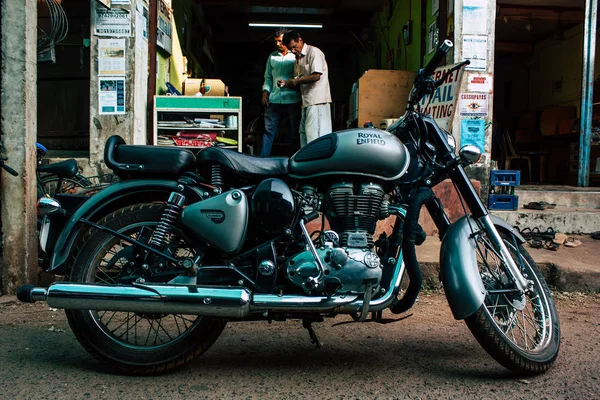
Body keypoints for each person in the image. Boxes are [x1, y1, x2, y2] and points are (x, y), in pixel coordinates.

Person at [281, 30, 332, 147]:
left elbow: (316, 75)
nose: (293, 51)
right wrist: (287, 83)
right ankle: (306, 163)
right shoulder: (297, 59)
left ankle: (317, 164)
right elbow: (298, 80)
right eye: (291, 49)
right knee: (304, 134)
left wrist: (295, 81)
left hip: (317, 101)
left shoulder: (314, 52)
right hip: (306, 102)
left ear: (300, 40)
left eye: (294, 47)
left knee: (316, 136)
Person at [260, 28, 301, 157]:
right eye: (276, 42)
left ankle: (294, 160)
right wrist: (265, 91)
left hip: (292, 99)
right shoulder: (272, 56)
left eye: (280, 41)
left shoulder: (296, 55)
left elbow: (301, 76)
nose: (278, 44)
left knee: (294, 132)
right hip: (274, 99)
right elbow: (268, 77)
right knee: (268, 131)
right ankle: (262, 161)